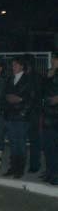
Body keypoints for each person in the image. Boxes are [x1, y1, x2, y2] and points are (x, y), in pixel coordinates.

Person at [2, 57, 32, 179]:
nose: (12, 67)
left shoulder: (28, 80)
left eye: (15, 65)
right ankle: (13, 167)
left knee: (20, 143)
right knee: (13, 143)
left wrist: (21, 103)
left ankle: (20, 168)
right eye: (12, 65)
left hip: (21, 116)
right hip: (10, 115)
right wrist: (7, 100)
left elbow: (31, 98)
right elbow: (5, 94)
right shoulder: (10, 79)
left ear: (21, 66)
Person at [23, 54, 43, 173]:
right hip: (27, 111)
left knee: (34, 140)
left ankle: (34, 164)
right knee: (23, 139)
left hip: (33, 112)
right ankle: (31, 164)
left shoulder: (35, 77)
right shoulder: (26, 76)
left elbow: (36, 96)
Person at [41, 52, 58, 185]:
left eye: (54, 59)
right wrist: (48, 76)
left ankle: (55, 174)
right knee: (48, 145)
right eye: (52, 59)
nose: (52, 61)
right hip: (48, 113)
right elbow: (42, 89)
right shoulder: (49, 73)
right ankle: (49, 171)